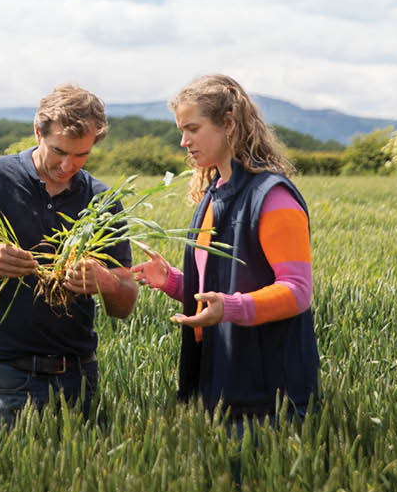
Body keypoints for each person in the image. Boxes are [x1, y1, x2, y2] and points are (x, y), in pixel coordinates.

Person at [0, 84, 137, 428]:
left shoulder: (103, 200)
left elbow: (126, 302)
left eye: (81, 155)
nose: (67, 165)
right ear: (37, 132)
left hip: (78, 375)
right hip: (4, 377)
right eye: (59, 151)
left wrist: (104, 282)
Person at [133, 74, 319, 426]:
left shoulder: (272, 196)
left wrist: (230, 308)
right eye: (181, 130)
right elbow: (222, 281)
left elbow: (297, 291)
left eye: (192, 128)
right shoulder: (214, 192)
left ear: (228, 124)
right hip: (219, 378)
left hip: (268, 390)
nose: (184, 141)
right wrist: (173, 281)